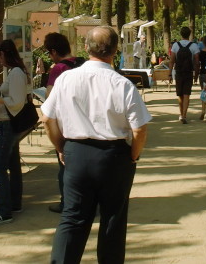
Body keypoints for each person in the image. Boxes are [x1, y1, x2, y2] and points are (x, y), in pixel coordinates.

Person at [41, 26, 151, 264]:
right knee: (113, 219)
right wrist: (133, 155)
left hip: (76, 153)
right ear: (114, 50)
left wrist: (61, 147)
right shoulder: (122, 84)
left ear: (86, 48)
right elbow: (140, 128)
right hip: (114, 156)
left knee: (73, 218)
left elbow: (47, 116)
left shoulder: (66, 79)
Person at [0, 40, 31, 226]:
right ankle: (13, 203)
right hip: (7, 123)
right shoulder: (15, 72)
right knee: (12, 165)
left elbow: (17, 101)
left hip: (9, 125)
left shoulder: (16, 73)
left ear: (4, 54)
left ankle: (4, 212)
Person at [44, 32, 85, 214]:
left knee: (64, 166)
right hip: (84, 120)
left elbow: (49, 97)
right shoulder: (82, 63)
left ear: (53, 51)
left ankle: (66, 202)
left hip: (65, 124)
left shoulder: (58, 69)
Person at [169, 27, 200, 123]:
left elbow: (172, 60)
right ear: (189, 34)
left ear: (181, 34)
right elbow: (196, 62)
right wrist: (196, 75)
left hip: (178, 72)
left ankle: (181, 114)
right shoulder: (194, 46)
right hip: (188, 72)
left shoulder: (175, 45)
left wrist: (170, 74)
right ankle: (185, 115)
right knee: (187, 94)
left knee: (180, 94)